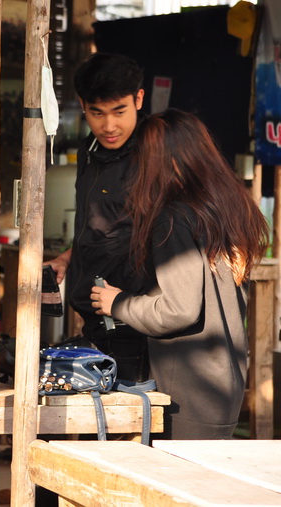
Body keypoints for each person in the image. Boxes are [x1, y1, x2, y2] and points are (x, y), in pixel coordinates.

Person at [91, 109, 269, 439]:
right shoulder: (227, 209)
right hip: (223, 386)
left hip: (189, 397)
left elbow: (179, 309)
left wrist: (118, 303)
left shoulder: (173, 218)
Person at [44, 52, 151, 382]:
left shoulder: (154, 154)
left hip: (136, 323)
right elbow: (103, 225)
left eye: (119, 111)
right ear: (82, 105)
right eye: (97, 113)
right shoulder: (89, 151)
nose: (109, 126)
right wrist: (68, 257)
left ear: (139, 99)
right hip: (94, 321)